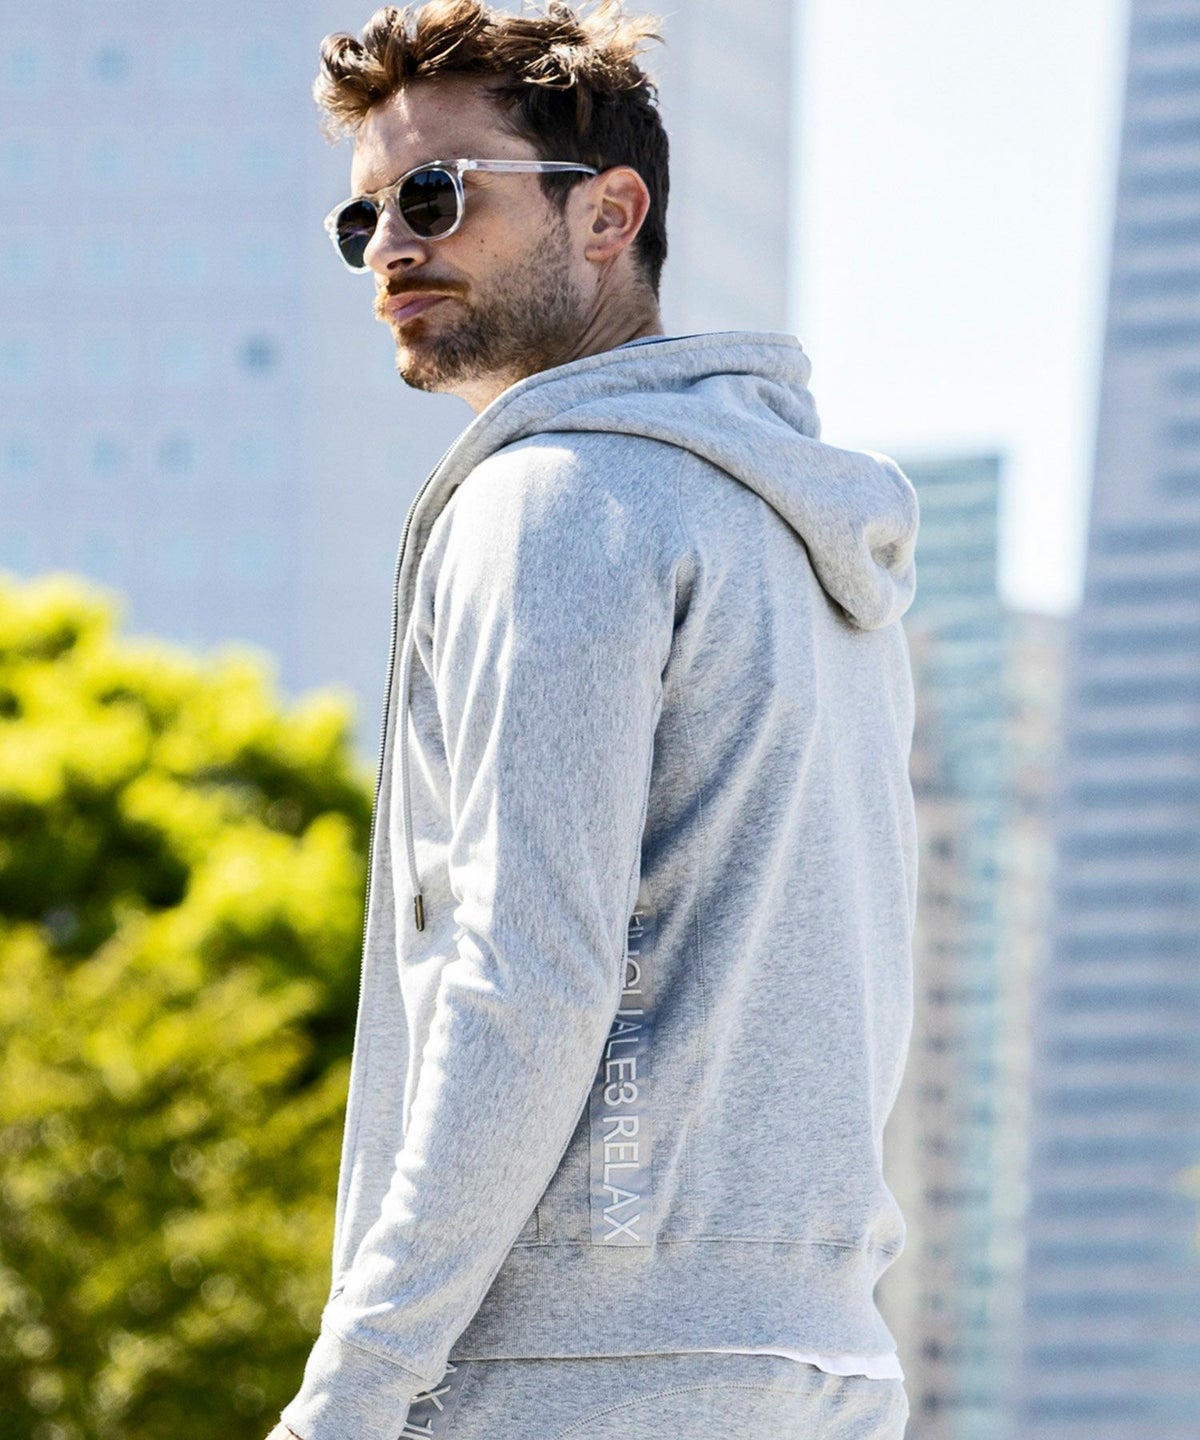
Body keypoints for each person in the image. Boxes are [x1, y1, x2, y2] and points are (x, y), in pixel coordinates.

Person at [269, 2, 920, 1437]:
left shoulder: (552, 502)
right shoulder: (795, 531)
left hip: (578, 1369)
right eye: (362, 219)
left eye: (435, 195)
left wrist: (353, 1391)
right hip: (815, 1364)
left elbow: (528, 980)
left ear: (608, 214)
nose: (389, 251)